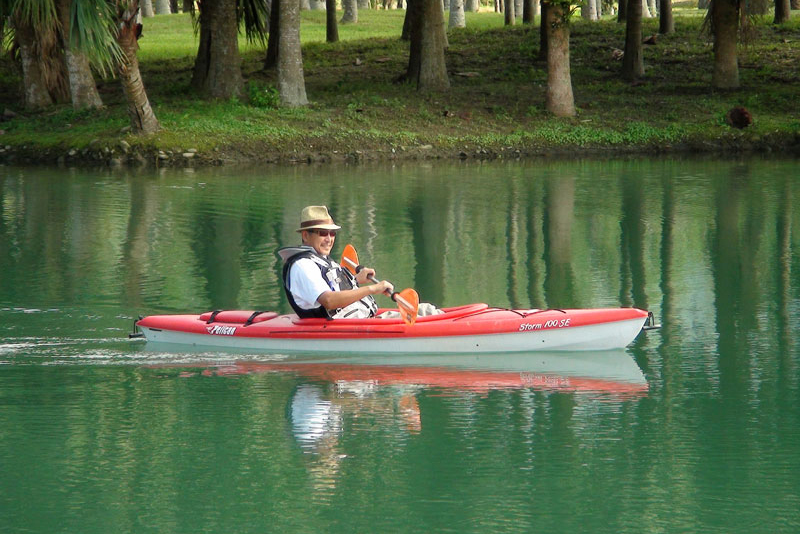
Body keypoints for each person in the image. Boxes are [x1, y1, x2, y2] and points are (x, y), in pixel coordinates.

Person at [277, 206, 393, 319]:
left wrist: (355, 279)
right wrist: (373, 289)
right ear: (306, 236)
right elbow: (329, 300)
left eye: (332, 233)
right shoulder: (303, 265)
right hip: (332, 327)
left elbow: (334, 287)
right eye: (323, 233)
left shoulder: (320, 259)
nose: (329, 239)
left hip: (354, 321)